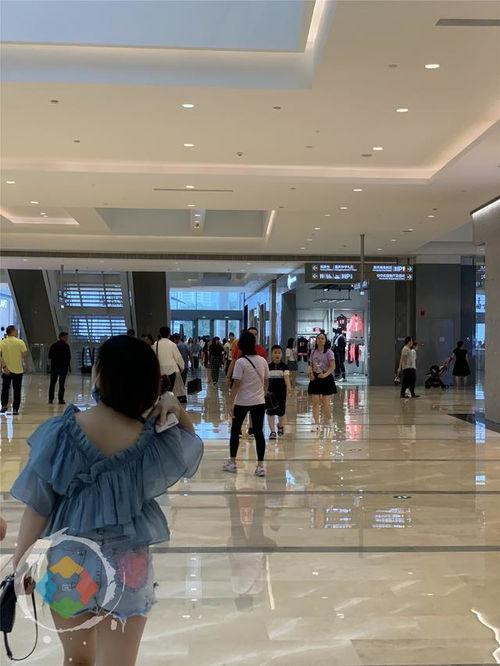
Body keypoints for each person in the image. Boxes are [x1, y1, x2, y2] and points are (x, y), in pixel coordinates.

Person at [10, 335, 203, 666]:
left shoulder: (61, 433)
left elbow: (38, 506)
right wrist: (173, 404)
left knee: (76, 659)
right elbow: (189, 442)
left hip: (69, 563)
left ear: (100, 376)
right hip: (129, 566)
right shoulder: (153, 441)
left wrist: (21, 564)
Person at [224, 331, 269, 477]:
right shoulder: (262, 361)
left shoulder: (240, 362)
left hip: (242, 402)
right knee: (259, 432)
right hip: (259, 402)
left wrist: (230, 402)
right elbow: (266, 381)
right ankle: (260, 466)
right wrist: (262, 393)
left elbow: (236, 384)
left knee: (235, 431)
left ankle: (232, 462)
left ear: (241, 345)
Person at [307, 332, 337, 431]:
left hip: (326, 378)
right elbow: (310, 365)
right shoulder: (313, 352)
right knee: (315, 402)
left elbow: (333, 366)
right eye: (318, 338)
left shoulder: (329, 352)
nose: (320, 340)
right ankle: (315, 424)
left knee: (325, 402)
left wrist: (325, 375)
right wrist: (311, 374)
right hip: (315, 378)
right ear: (316, 340)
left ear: (325, 341)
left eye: (322, 338)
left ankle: (329, 422)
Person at [0, 325, 29, 415]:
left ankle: (4, 405)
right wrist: (26, 365)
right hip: (18, 370)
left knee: (5, 388)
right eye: (15, 330)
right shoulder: (20, 342)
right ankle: (15, 408)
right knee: (17, 389)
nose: (16, 332)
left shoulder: (2, 342)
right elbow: (25, 355)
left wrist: (4, 367)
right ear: (12, 331)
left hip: (6, 370)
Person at [267, 345, 291, 439]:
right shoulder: (268, 366)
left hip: (281, 393)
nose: (277, 354)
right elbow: (266, 380)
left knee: (281, 412)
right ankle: (272, 431)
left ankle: (280, 426)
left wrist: (289, 389)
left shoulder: (284, 366)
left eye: (279, 353)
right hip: (270, 394)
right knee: (270, 412)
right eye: (275, 352)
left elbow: (287, 378)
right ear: (271, 354)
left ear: (282, 355)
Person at [154, 326, 185, 392]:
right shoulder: (172, 345)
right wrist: (182, 367)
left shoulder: (155, 344)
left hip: (159, 371)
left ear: (160, 334)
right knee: (169, 389)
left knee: (160, 389)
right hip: (171, 371)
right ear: (169, 334)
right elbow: (178, 357)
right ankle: (168, 397)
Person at [48, 331, 71, 405]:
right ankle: (60, 399)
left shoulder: (53, 345)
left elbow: (49, 356)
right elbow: (68, 357)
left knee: (52, 383)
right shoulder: (66, 346)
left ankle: (50, 399)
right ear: (62, 337)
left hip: (54, 367)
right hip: (63, 367)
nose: (67, 338)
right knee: (62, 384)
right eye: (66, 337)